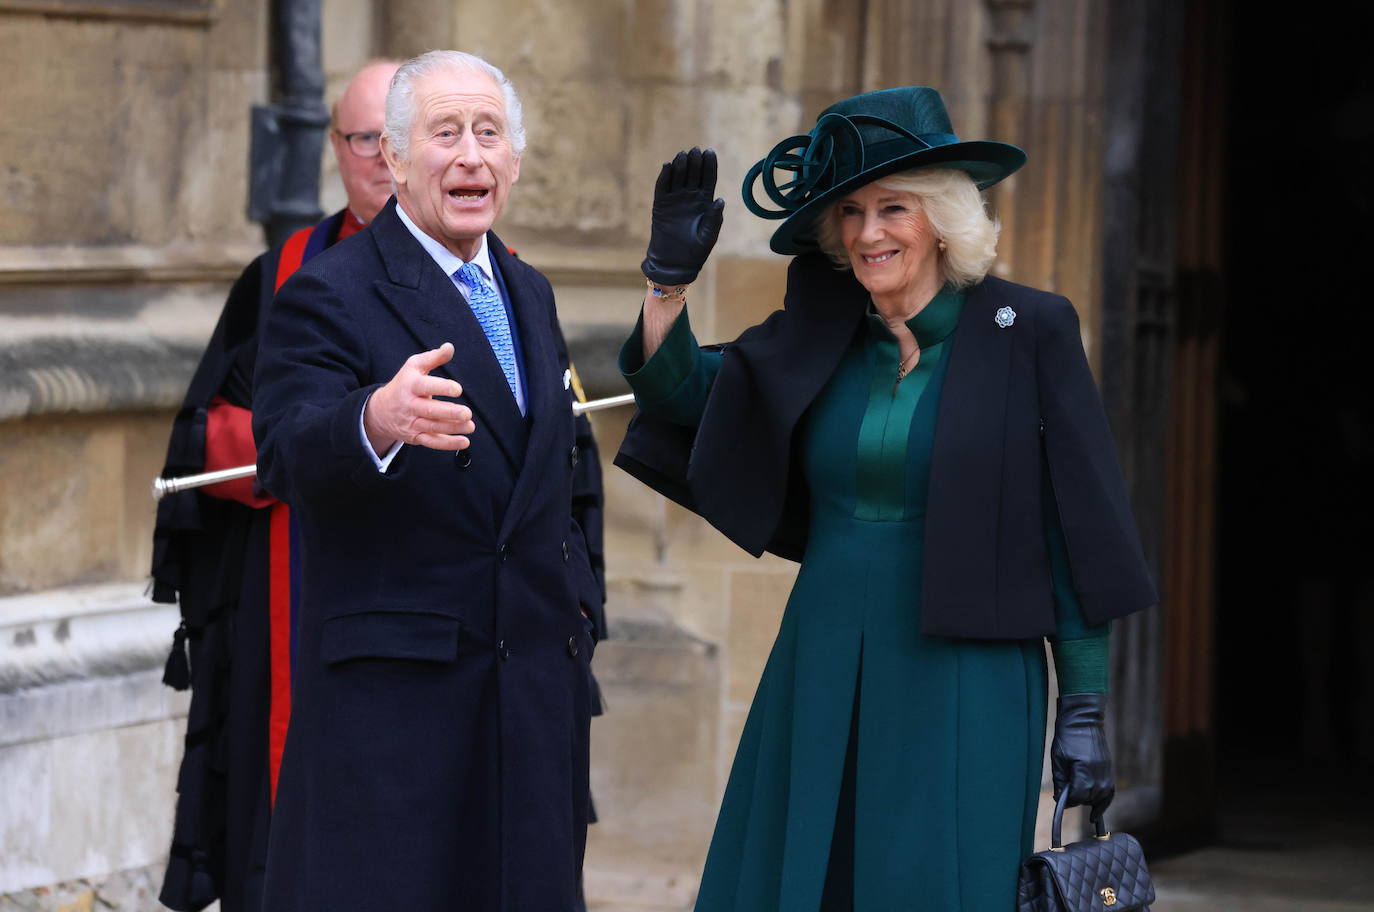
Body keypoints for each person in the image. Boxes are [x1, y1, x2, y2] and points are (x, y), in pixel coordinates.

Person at [615, 87, 1157, 911]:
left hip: (967, 673)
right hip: (823, 656)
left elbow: (1074, 523)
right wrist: (667, 283)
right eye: (853, 213)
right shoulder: (821, 334)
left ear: (941, 218)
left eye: (893, 208)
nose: (870, 233)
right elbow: (683, 395)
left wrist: (1082, 707)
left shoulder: (1030, 329)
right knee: (804, 881)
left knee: (939, 883)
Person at [251, 50, 601, 910]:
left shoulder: (529, 289)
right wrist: (373, 419)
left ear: (514, 162)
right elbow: (284, 450)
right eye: (445, 134)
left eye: (489, 134)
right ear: (396, 161)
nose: (471, 156)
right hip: (398, 711)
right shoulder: (330, 289)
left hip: (525, 696)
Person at [151, 58, 401, 912]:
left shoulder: (500, 282)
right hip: (298, 589)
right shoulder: (280, 275)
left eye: (395, 136)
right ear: (336, 149)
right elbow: (200, 443)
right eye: (361, 138)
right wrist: (313, 447)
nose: (378, 156)